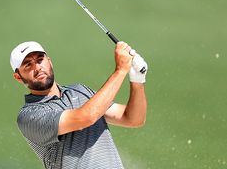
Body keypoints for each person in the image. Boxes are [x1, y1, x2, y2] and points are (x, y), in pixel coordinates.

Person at [10, 40, 148, 169]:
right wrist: (120, 70)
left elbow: (133, 119)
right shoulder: (29, 116)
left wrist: (137, 80)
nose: (38, 67)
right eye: (28, 65)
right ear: (18, 77)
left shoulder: (80, 91)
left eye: (40, 60)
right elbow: (85, 118)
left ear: (49, 62)